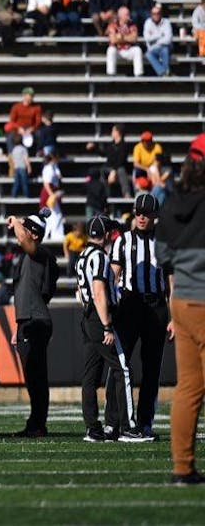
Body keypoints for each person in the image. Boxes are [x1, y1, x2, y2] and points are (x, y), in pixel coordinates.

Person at [74, 215, 151, 442]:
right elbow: (99, 292)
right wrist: (107, 325)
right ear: (106, 235)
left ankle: (93, 428)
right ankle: (128, 427)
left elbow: (82, 293)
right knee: (123, 369)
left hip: (88, 318)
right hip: (99, 319)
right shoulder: (99, 257)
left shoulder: (83, 255)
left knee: (90, 375)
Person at [156, 141, 205, 483]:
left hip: (182, 300)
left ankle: (182, 467)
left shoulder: (171, 203)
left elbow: (162, 256)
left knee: (188, 387)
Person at [107, 194, 168, 439]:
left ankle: (145, 422)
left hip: (156, 307)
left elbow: (172, 281)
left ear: (155, 215)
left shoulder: (164, 242)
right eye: (138, 212)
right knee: (119, 366)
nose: (142, 217)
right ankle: (113, 422)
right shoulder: (124, 241)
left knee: (152, 368)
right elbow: (113, 275)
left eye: (147, 213)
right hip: (130, 305)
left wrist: (173, 316)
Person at [7, 210, 57, 437]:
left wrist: (17, 221)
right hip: (30, 320)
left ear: (34, 235)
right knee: (33, 377)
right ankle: (35, 423)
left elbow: (24, 239)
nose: (21, 234)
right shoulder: (37, 256)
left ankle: (38, 424)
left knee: (36, 377)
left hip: (35, 321)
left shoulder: (39, 254)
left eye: (26, 230)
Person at [106, 6, 143, 77]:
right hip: (117, 50)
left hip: (128, 49)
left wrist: (121, 37)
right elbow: (113, 40)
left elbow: (134, 38)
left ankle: (139, 74)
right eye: (127, 14)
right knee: (110, 50)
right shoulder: (113, 25)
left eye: (129, 14)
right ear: (120, 16)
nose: (129, 16)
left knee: (137, 50)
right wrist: (126, 37)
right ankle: (111, 74)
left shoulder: (132, 25)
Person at [143, 5, 172, 77]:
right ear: (151, 14)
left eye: (158, 13)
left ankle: (165, 72)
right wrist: (160, 35)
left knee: (165, 49)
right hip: (153, 49)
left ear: (161, 14)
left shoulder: (166, 22)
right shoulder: (148, 22)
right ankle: (163, 72)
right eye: (154, 14)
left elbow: (168, 40)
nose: (156, 15)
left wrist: (154, 40)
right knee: (148, 54)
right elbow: (147, 38)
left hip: (164, 47)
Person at [9, 133, 31, 198]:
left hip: (16, 168)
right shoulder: (23, 149)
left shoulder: (14, 149)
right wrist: (29, 167)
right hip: (22, 168)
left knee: (16, 183)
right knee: (25, 183)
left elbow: (12, 159)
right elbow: (26, 159)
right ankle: (26, 195)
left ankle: (13, 195)